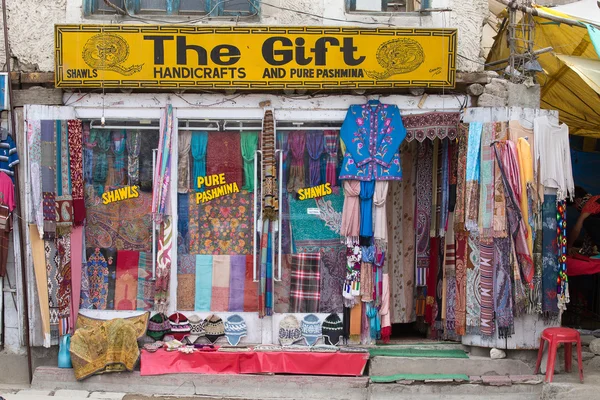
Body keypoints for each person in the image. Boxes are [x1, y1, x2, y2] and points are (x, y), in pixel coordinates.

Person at [569, 186, 600, 258]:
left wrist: (569, 246)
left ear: (577, 200)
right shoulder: (595, 199)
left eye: (574, 206)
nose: (576, 209)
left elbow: (577, 228)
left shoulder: (589, 204)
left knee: (587, 221)